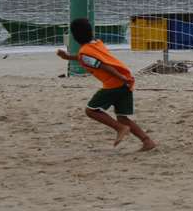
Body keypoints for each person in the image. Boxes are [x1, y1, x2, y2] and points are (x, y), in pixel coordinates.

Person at [56, 18, 156, 151]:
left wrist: (120, 77)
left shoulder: (84, 52)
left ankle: (120, 128)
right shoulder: (96, 43)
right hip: (126, 82)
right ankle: (147, 141)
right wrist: (69, 57)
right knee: (122, 117)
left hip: (115, 84)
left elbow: (103, 65)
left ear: (75, 36)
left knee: (90, 111)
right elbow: (89, 58)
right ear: (90, 31)